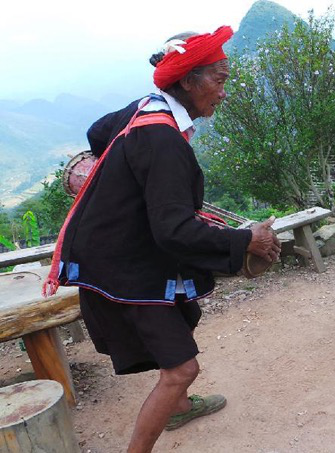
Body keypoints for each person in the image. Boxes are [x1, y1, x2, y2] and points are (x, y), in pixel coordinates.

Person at [43, 27, 280, 453]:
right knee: (182, 369)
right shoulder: (162, 139)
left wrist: (126, 182)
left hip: (122, 251)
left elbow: (98, 132)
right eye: (219, 79)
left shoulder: (146, 107)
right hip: (123, 266)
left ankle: (180, 407)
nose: (223, 92)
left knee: (183, 314)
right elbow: (174, 230)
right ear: (187, 80)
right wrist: (245, 239)